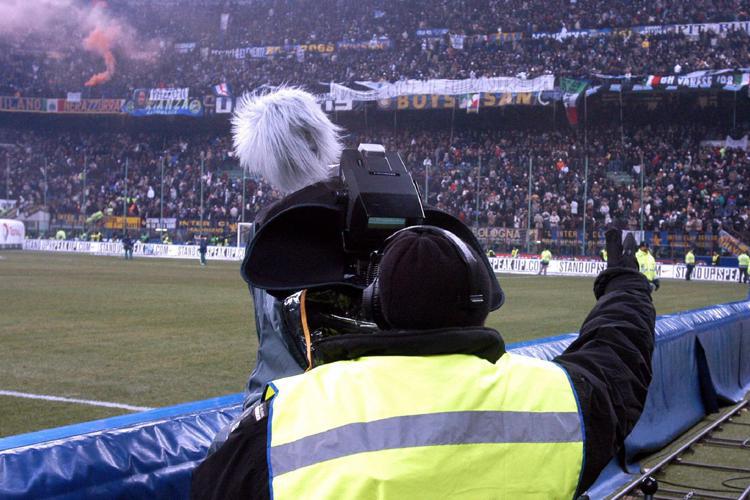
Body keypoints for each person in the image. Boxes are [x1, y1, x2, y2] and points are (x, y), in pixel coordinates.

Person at [192, 227, 654, 499]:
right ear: (479, 303)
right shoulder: (555, 401)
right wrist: (626, 284)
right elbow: (619, 351)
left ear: (376, 306)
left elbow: (213, 485)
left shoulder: (291, 414)